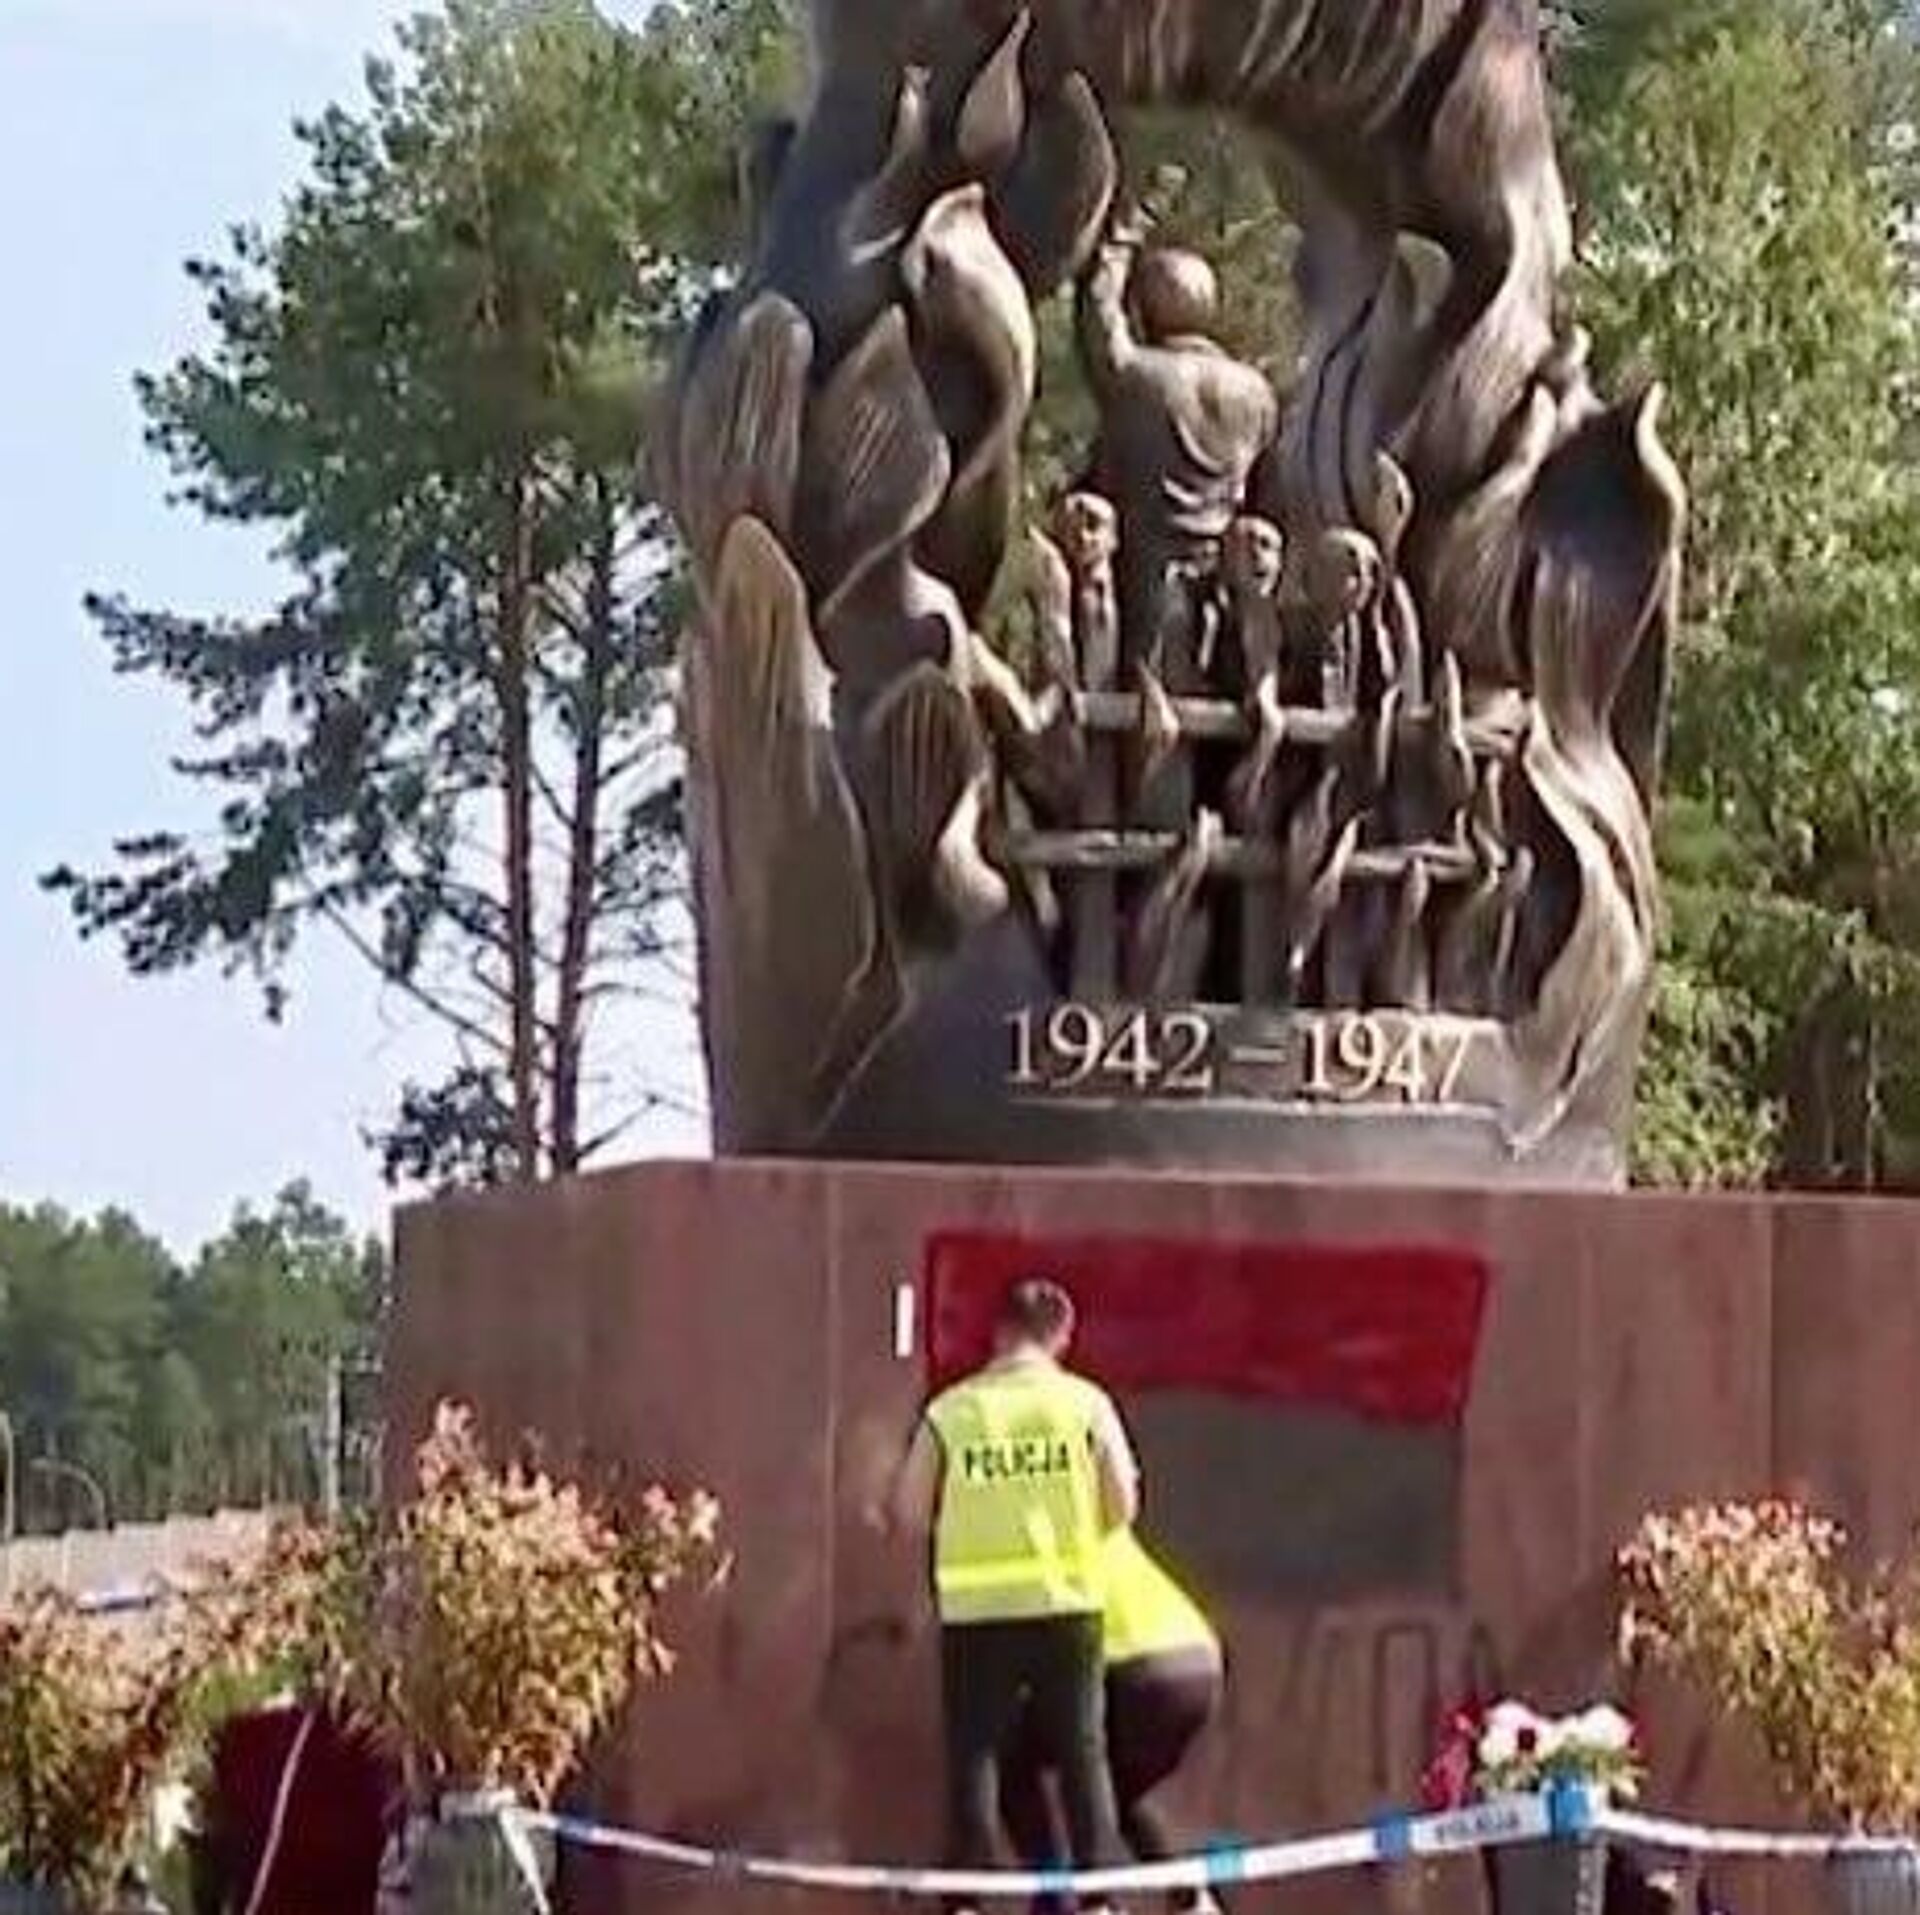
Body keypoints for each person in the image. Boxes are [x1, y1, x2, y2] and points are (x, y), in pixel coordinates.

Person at [881, 1277, 1141, 1915]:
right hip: (1067, 1602)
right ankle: (1098, 1898)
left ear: (998, 1334)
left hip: (977, 1612)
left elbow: (909, 1510)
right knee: (1082, 1752)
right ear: (1062, 1336)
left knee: (975, 1754)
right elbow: (1122, 1504)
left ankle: (967, 1901)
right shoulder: (1085, 1406)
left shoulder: (954, 1412)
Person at [1000, 1528, 1225, 1915]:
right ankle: (1190, 1899)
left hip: (1133, 1665)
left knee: (1013, 1759)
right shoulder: (1093, 1520)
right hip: (1197, 1665)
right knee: (1116, 1792)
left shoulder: (1027, 1547)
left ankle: (1066, 1900)